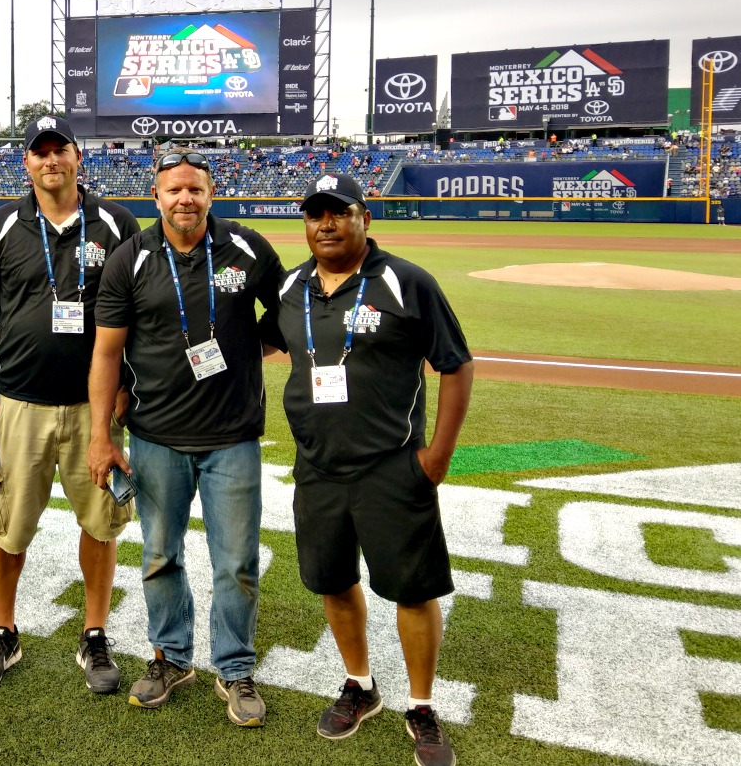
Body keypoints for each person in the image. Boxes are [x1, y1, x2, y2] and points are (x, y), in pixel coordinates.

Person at [260, 174, 473, 766]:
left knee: (412, 588)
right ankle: (360, 684)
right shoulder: (291, 286)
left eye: (338, 212)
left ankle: (422, 704)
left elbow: (455, 365)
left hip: (391, 467)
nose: (325, 223)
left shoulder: (404, 282)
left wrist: (437, 456)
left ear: (364, 218)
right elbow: (256, 344)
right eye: (314, 214)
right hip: (317, 468)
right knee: (332, 581)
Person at [88, 151, 285, 727]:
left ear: (210, 192)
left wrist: (245, 353)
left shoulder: (247, 248)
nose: (185, 199)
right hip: (156, 438)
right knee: (158, 556)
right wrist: (102, 435)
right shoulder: (130, 257)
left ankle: (235, 668)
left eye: (195, 189)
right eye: (173, 190)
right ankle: (170, 657)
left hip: (233, 437)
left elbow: (287, 316)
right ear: (156, 197)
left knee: (237, 563)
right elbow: (105, 352)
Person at [0, 116, 139, 693]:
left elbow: (136, 318)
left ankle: (94, 635)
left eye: (59, 150)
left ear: (76, 157)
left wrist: (123, 394)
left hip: (94, 409)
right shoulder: (0, 225)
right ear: (27, 164)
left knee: (101, 522)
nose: (50, 161)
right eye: (38, 153)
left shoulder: (116, 223)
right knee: (7, 525)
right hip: (19, 402)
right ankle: (3, 632)